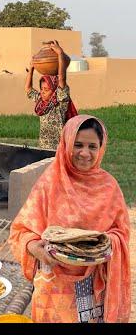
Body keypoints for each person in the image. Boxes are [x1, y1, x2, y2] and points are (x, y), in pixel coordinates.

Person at [8, 115, 130, 323]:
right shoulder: (50, 182)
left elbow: (122, 233)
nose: (84, 153)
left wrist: (104, 244)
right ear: (66, 144)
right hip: (53, 284)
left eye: (92, 146)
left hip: (94, 283)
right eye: (78, 144)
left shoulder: (109, 187)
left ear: (101, 147)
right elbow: (20, 231)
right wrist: (37, 249)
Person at [25, 40, 78, 149]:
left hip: (59, 148)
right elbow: (28, 89)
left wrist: (59, 54)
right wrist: (31, 70)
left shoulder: (59, 101)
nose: (42, 91)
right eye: (41, 88)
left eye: (46, 89)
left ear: (54, 90)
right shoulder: (41, 101)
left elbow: (62, 79)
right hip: (44, 146)